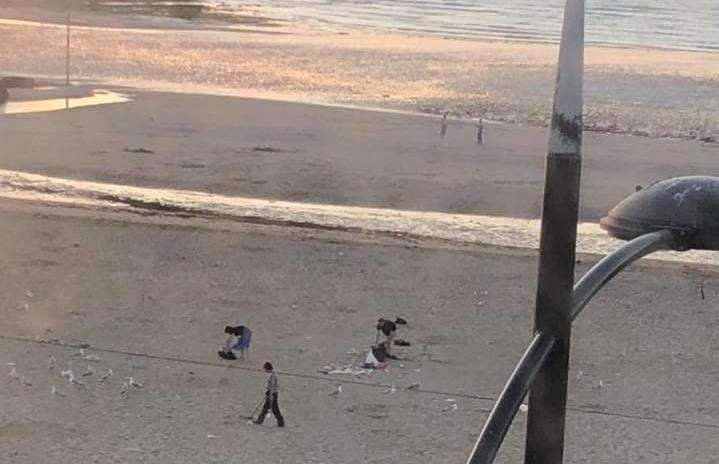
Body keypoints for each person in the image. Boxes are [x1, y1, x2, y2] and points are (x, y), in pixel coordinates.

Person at [253, 361, 285, 427]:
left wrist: (270, 395)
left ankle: (281, 422)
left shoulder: (272, 375)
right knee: (265, 407)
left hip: (273, 394)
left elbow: (272, 386)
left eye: (265, 368)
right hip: (270, 394)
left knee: (275, 409)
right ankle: (259, 420)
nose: (265, 370)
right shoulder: (271, 375)